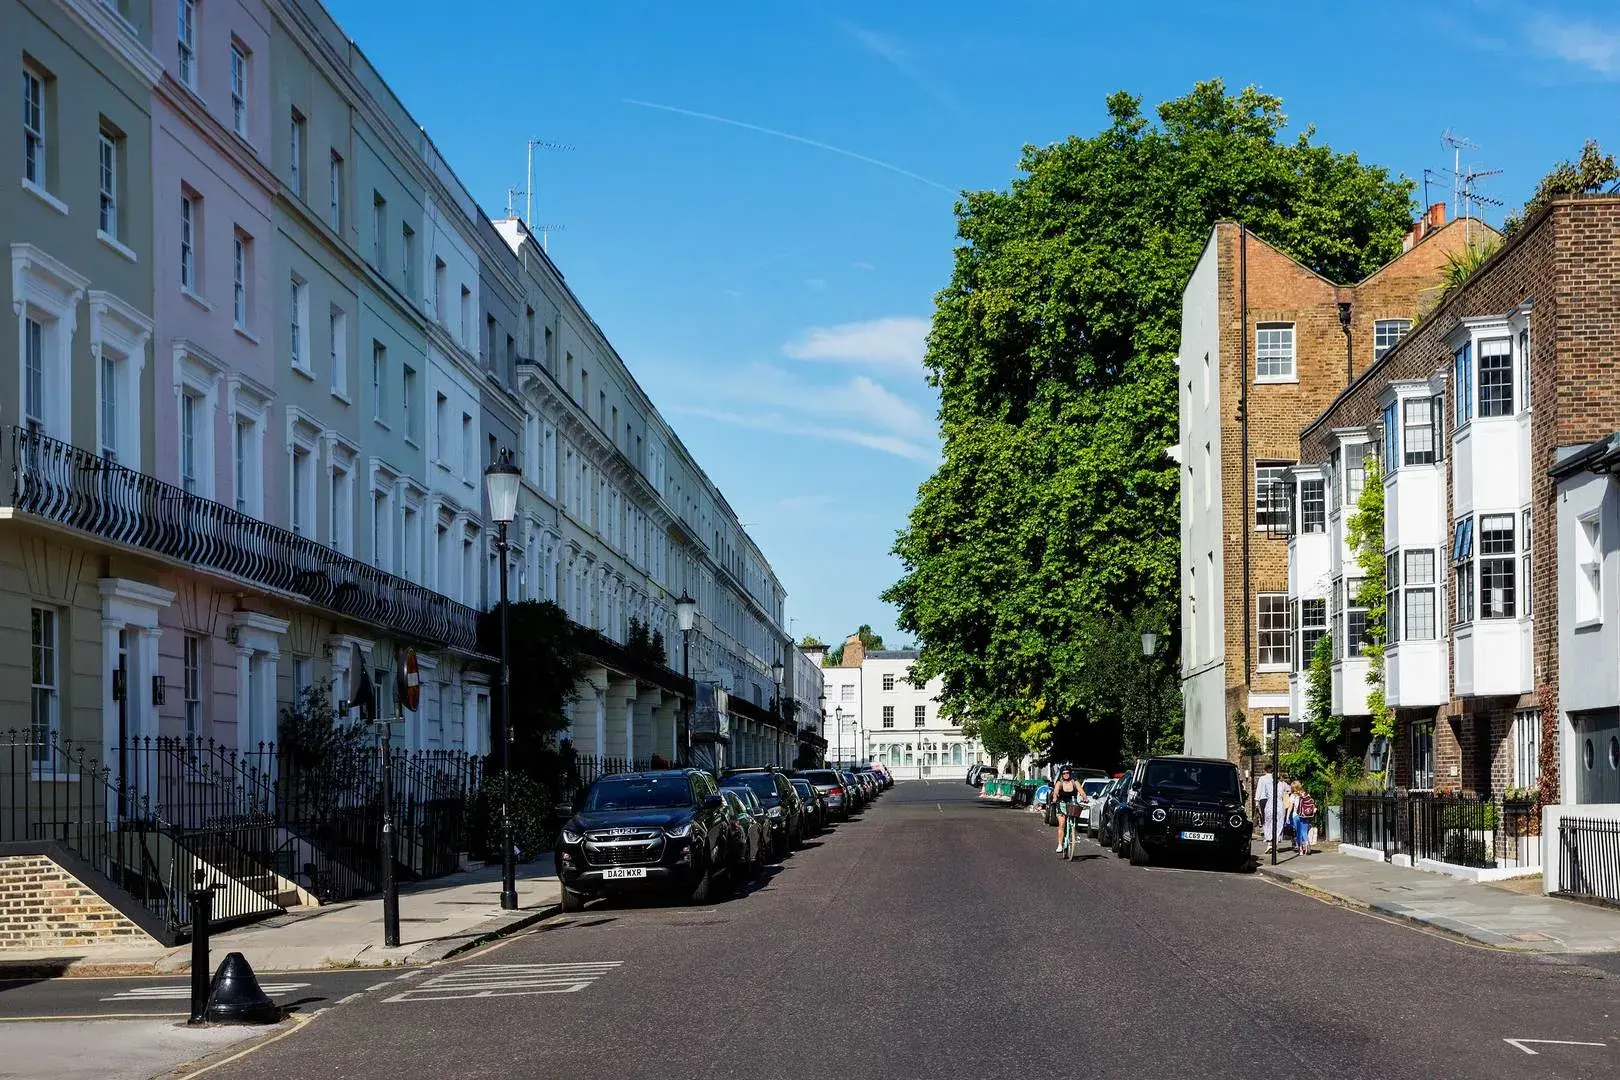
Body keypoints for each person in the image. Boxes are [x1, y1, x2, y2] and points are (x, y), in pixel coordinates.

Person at [1050, 765, 1084, 854]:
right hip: (1061, 802)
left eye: (1068, 773)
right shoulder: (1059, 782)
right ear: (1061, 774)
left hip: (1071, 801)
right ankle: (1060, 845)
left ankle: (1072, 832)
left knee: (1075, 816)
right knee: (1062, 824)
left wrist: (1085, 797)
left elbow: (1080, 789)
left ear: (1070, 773)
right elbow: (1056, 791)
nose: (1066, 775)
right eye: (1064, 773)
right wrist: (1054, 798)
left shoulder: (1074, 781)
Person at [1255, 763, 1284, 855]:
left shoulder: (1262, 779)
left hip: (1264, 800)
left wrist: (1256, 801)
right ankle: (1275, 842)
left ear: (1265, 770)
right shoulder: (1276, 779)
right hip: (1276, 801)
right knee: (1276, 821)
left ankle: (1269, 843)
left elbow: (1259, 790)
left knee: (1267, 821)